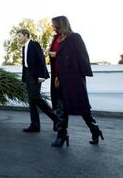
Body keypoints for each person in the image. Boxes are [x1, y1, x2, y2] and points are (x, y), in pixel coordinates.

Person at [50, 16, 104, 147]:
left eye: (53, 24)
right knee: (61, 109)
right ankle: (61, 136)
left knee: (83, 110)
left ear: (60, 24)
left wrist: (83, 76)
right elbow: (57, 57)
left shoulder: (74, 37)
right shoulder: (56, 38)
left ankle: (95, 131)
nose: (52, 27)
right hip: (59, 78)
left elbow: (82, 55)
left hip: (73, 79)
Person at [17, 29, 57, 133]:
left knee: (35, 97)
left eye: (20, 36)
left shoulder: (34, 44)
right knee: (31, 101)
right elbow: (25, 64)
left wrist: (41, 75)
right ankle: (35, 125)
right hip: (28, 75)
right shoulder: (23, 47)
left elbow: (41, 60)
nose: (18, 38)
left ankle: (56, 118)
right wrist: (24, 77)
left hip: (36, 76)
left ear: (26, 35)